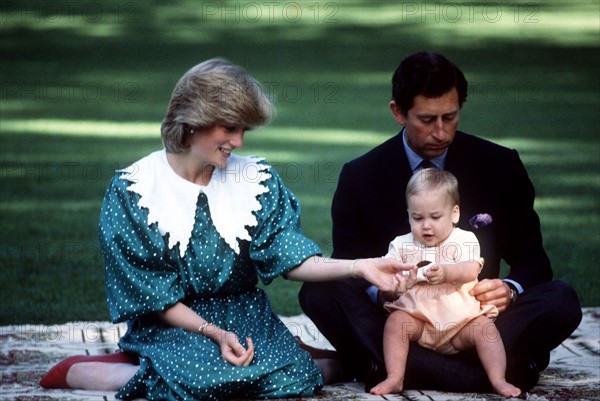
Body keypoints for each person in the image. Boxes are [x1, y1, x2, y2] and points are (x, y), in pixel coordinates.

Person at [39, 58, 408, 400]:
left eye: (244, 129)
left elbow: (288, 255)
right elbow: (155, 296)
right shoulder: (135, 190)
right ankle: (105, 371)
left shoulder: (255, 179)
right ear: (194, 120)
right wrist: (214, 334)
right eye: (230, 128)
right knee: (205, 380)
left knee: (294, 377)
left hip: (245, 314)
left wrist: (359, 266)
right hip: (173, 323)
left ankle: (284, 355)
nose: (239, 142)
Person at [299, 51, 582, 393]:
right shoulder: (360, 176)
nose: (441, 131)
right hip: (402, 322)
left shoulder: (501, 165)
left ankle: (383, 366)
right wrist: (383, 292)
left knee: (562, 299)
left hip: (475, 320)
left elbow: (534, 262)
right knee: (318, 290)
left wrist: (509, 289)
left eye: (450, 116)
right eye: (427, 119)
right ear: (398, 112)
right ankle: (493, 371)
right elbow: (350, 265)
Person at [370, 168, 520, 397]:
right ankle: (395, 377)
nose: (426, 226)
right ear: (408, 214)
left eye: (435, 217)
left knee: (486, 330)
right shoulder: (401, 244)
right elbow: (388, 274)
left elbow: (471, 269)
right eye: (417, 218)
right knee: (395, 323)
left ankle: (498, 379)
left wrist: (448, 272)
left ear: (454, 214)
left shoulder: (464, 239)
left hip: (461, 322)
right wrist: (397, 284)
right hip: (419, 320)